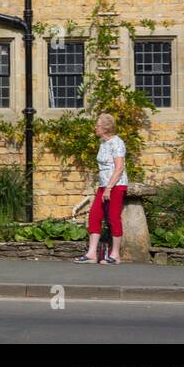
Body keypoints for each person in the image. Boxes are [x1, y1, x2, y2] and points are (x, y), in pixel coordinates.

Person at [74, 113, 128, 265]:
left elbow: (119, 168)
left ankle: (115, 255)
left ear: (105, 128)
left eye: (97, 125)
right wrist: (104, 188)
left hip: (116, 186)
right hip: (103, 186)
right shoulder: (103, 143)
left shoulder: (117, 143)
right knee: (94, 216)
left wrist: (109, 188)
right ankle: (92, 254)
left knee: (113, 218)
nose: (95, 128)